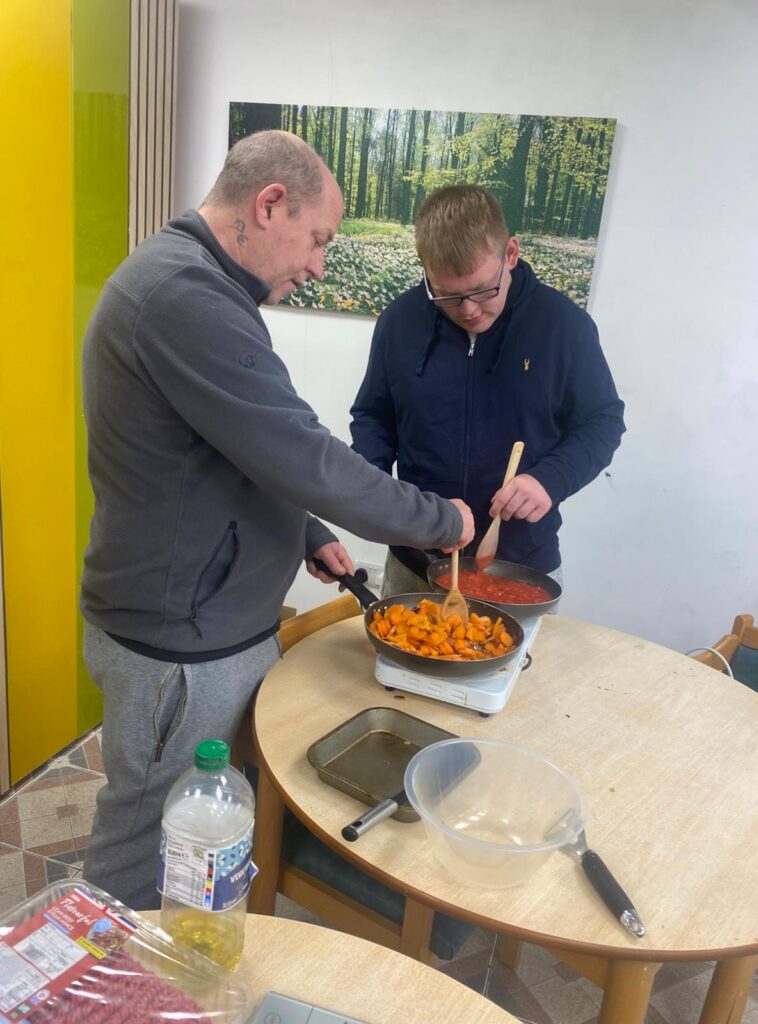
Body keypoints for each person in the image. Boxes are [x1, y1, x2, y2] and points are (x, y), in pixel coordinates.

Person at [79, 131, 473, 909]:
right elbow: (304, 457)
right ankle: (97, 988)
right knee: (145, 840)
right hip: (179, 644)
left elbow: (231, 453)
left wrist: (306, 534)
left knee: (194, 830)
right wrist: (443, 521)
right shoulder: (184, 297)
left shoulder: (196, 286)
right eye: (320, 239)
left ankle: (169, 962)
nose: (321, 264)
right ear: (268, 205)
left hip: (199, 623)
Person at [350, 184, 625, 596]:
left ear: (510, 254)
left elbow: (602, 422)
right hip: (416, 564)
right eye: (446, 295)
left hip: (521, 569)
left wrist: (552, 479)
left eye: (482, 290)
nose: (469, 310)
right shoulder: (400, 321)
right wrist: (378, 493)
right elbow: (374, 415)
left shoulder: (563, 327)